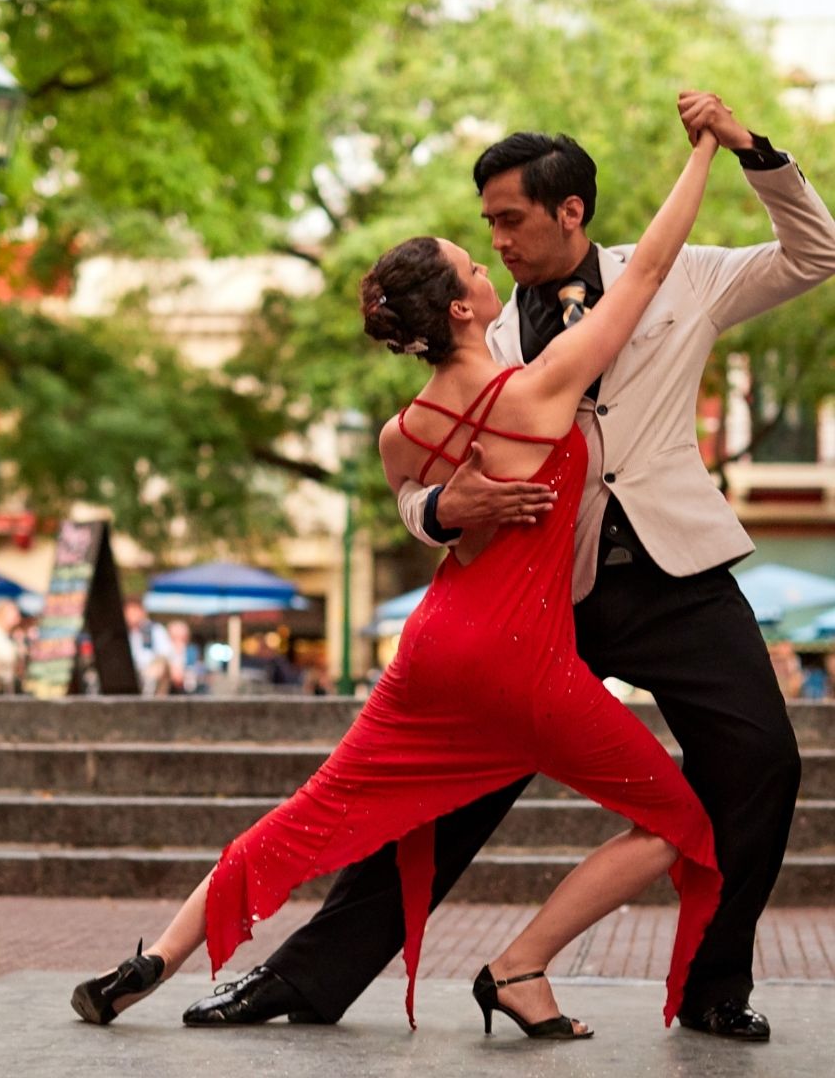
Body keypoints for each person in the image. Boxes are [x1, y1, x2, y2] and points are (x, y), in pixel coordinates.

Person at [187, 91, 835, 1042]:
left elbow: (817, 255)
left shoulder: (683, 277)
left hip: (677, 576)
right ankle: (305, 979)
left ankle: (711, 986)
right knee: (448, 791)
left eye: (510, 219)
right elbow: (417, 480)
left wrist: (756, 152)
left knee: (763, 764)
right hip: (537, 599)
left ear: (569, 210)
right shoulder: (476, 328)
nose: (495, 242)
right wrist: (444, 510)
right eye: (486, 222)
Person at [71, 125, 724, 1038]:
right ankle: (520, 966)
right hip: (521, 662)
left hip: (429, 652)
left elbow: (427, 518)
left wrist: (445, 509)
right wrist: (703, 153)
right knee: (677, 823)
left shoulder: (400, 435)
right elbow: (648, 271)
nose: (487, 261)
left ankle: (154, 960)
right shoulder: (538, 394)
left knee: (312, 813)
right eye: (472, 264)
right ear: (460, 311)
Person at [123, 597, 172, 694]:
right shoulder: (120, 632)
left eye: (134, 611)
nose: (131, 615)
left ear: (142, 612)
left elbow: (165, 654)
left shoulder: (155, 630)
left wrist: (152, 668)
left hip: (150, 672)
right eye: (129, 612)